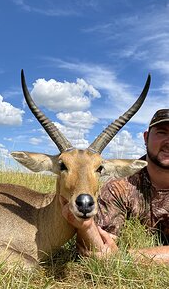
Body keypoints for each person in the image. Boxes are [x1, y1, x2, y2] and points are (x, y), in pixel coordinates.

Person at [62, 108, 169, 263]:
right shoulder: (118, 188)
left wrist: (123, 257)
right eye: (161, 132)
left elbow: (111, 256)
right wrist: (87, 228)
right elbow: (97, 249)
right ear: (146, 138)